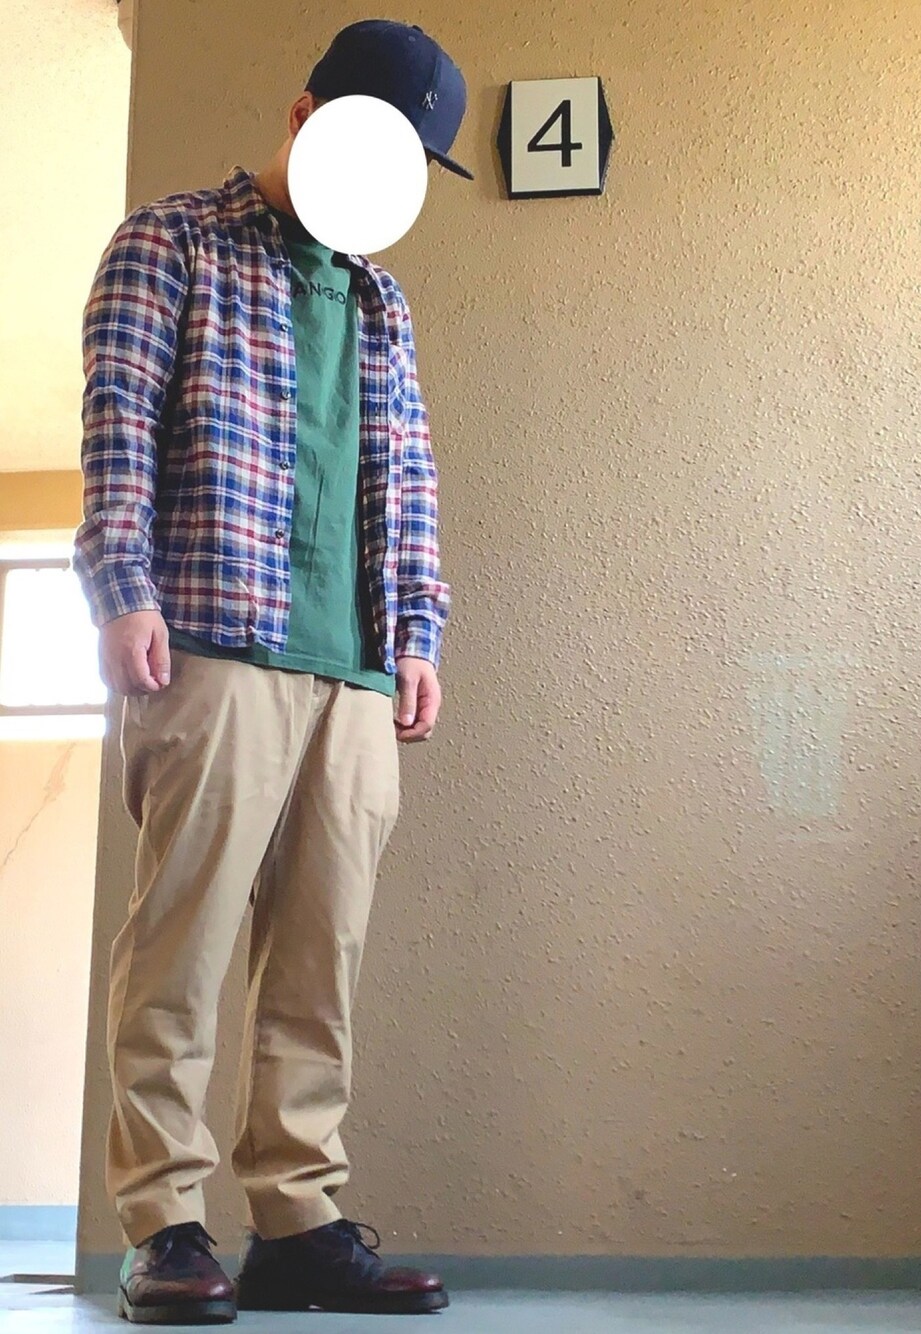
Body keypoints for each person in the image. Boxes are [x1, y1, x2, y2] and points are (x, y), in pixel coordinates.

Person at [73, 18, 472, 1326]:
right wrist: (122, 588)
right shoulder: (172, 242)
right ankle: (163, 1222)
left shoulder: (382, 301)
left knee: (320, 958)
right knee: (180, 946)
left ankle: (297, 1220)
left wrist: (418, 633)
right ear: (306, 117)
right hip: (211, 642)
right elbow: (118, 424)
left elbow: (407, 478)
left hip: (355, 671)